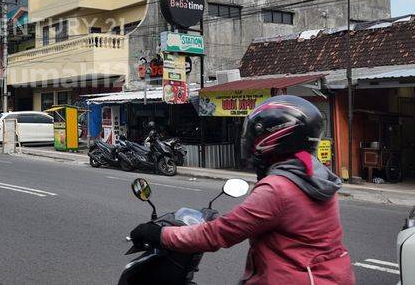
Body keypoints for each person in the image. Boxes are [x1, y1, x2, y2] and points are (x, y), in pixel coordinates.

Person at [129, 95, 354, 284]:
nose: (249, 140)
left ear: (274, 137)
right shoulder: (316, 176)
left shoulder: (278, 188)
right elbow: (275, 220)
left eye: (255, 134)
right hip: (330, 275)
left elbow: (218, 234)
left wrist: (160, 234)